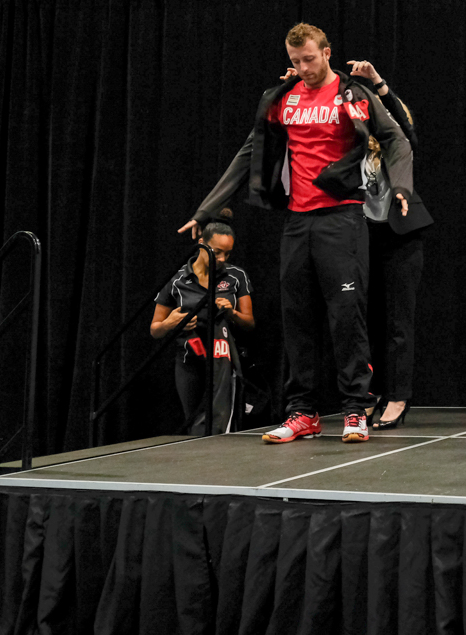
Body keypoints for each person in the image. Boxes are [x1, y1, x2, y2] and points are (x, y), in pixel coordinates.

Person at [178, 23, 432, 444]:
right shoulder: (283, 98)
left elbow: (398, 139)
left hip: (343, 219)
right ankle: (303, 413)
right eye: (295, 61)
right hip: (297, 221)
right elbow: (249, 153)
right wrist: (206, 209)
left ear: (327, 52)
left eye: (309, 59)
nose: (302, 67)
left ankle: (354, 408)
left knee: (346, 317)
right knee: (296, 318)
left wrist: (401, 187)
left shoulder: (352, 94)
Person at [281, 58, 431, 430]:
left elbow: (405, 130)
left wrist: (379, 83)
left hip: (397, 235)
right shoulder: (347, 147)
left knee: (397, 319)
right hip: (354, 234)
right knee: (359, 317)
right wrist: (292, 88)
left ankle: (397, 396)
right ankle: (367, 395)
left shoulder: (390, 139)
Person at [151, 211, 254, 434]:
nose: (222, 259)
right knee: (195, 425)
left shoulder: (236, 276)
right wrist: (172, 323)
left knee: (223, 424)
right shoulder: (177, 280)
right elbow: (155, 330)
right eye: (216, 253)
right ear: (201, 244)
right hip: (190, 362)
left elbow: (250, 323)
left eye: (227, 254)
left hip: (225, 362)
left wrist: (232, 314)